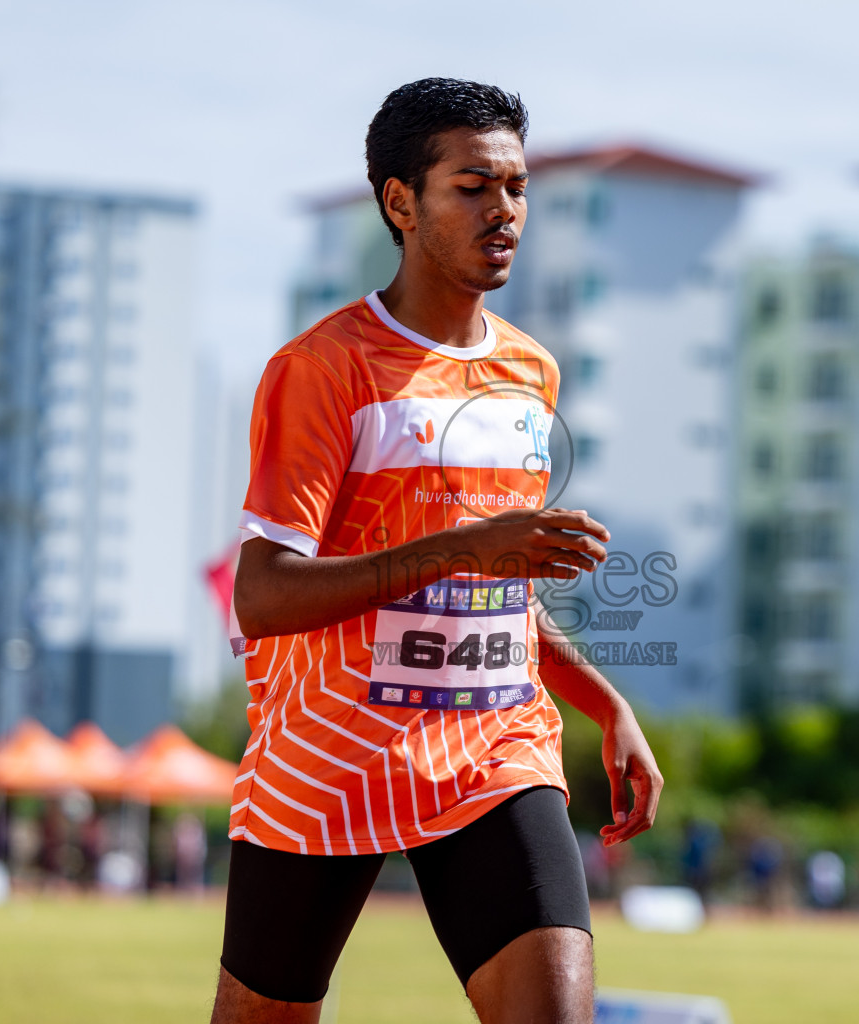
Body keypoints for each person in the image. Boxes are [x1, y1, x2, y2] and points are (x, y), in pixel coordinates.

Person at [211, 78, 663, 1024]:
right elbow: (263, 597)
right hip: (329, 757)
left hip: (493, 752)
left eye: (518, 187)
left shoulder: (529, 372)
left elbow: (499, 592)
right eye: (474, 187)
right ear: (400, 202)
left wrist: (605, 703)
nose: (506, 211)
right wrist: (462, 545)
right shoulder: (322, 369)